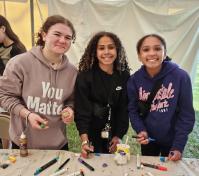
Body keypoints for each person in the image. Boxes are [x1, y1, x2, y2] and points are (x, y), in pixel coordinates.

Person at [0, 15, 77, 150]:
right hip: (24, 143)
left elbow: (72, 99)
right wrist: (27, 114)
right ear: (44, 35)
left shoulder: (73, 72)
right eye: (57, 34)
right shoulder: (19, 63)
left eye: (68, 37)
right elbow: (5, 96)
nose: (62, 40)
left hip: (59, 145)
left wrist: (70, 109)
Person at [127, 34, 195, 161]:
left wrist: (178, 146)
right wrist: (141, 130)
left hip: (172, 140)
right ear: (139, 56)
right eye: (146, 49)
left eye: (157, 49)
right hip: (148, 138)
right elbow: (133, 110)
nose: (152, 53)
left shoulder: (181, 77)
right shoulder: (134, 80)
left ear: (164, 53)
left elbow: (187, 115)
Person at [74, 31, 130, 156]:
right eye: (101, 48)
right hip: (92, 132)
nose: (106, 52)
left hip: (114, 131)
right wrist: (84, 141)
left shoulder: (124, 76)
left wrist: (118, 136)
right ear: (95, 51)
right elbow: (82, 111)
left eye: (111, 47)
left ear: (117, 50)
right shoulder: (85, 76)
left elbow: (124, 109)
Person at [0, 15, 26, 149]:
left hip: (11, 94)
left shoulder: (17, 49)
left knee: (7, 123)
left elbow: (19, 79)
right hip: (2, 90)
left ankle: (6, 149)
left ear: (3, 28)